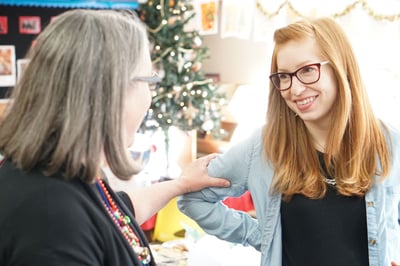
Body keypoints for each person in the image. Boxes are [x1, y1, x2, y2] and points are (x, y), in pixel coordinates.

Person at [0, 9, 230, 266]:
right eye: (149, 81)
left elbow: (116, 212)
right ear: (112, 91)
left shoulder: (57, 171)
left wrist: (181, 184)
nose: (150, 97)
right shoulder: (53, 219)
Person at [178, 17, 400, 266]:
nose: (294, 89)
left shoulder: (390, 144)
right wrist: (261, 235)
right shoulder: (263, 147)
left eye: (307, 70)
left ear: (341, 67)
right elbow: (193, 199)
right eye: (284, 76)